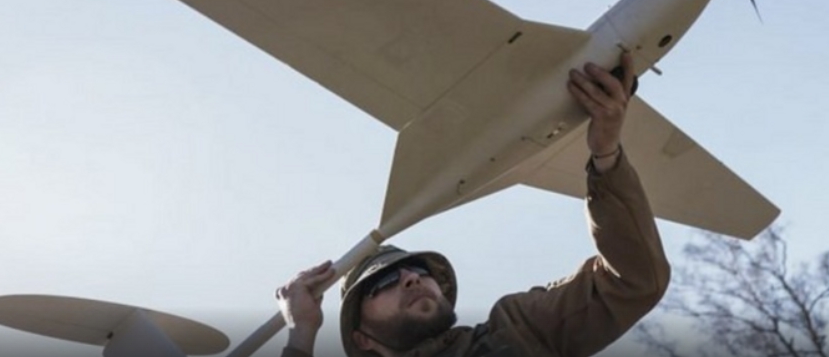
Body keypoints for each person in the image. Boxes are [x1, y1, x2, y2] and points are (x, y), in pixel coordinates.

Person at [274, 52, 670, 357]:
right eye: (384, 283)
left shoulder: (519, 328)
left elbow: (634, 282)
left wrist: (606, 155)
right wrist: (301, 332)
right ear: (363, 339)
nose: (411, 278)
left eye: (418, 269)